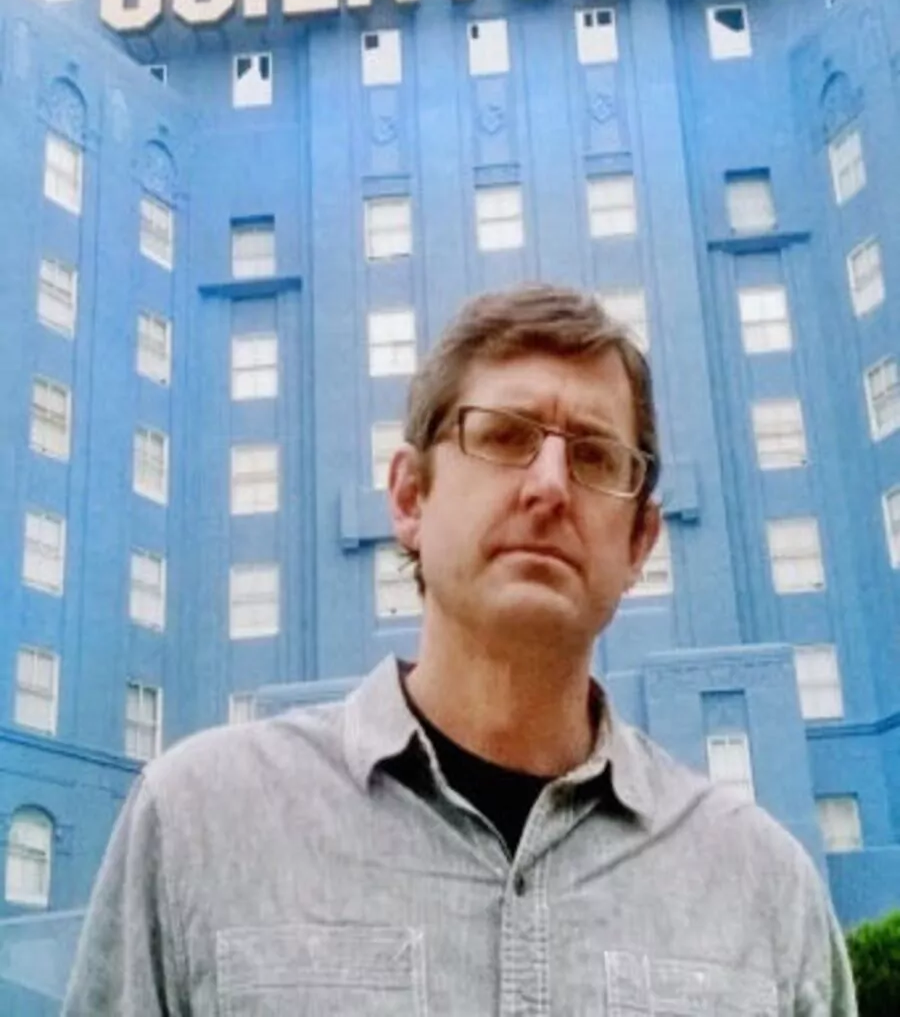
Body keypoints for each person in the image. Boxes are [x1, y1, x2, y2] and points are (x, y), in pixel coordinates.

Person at [63, 284, 856, 1015]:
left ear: (641, 541)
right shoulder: (199, 819)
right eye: (504, 436)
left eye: (593, 455)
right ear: (410, 496)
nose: (549, 485)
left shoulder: (766, 888)